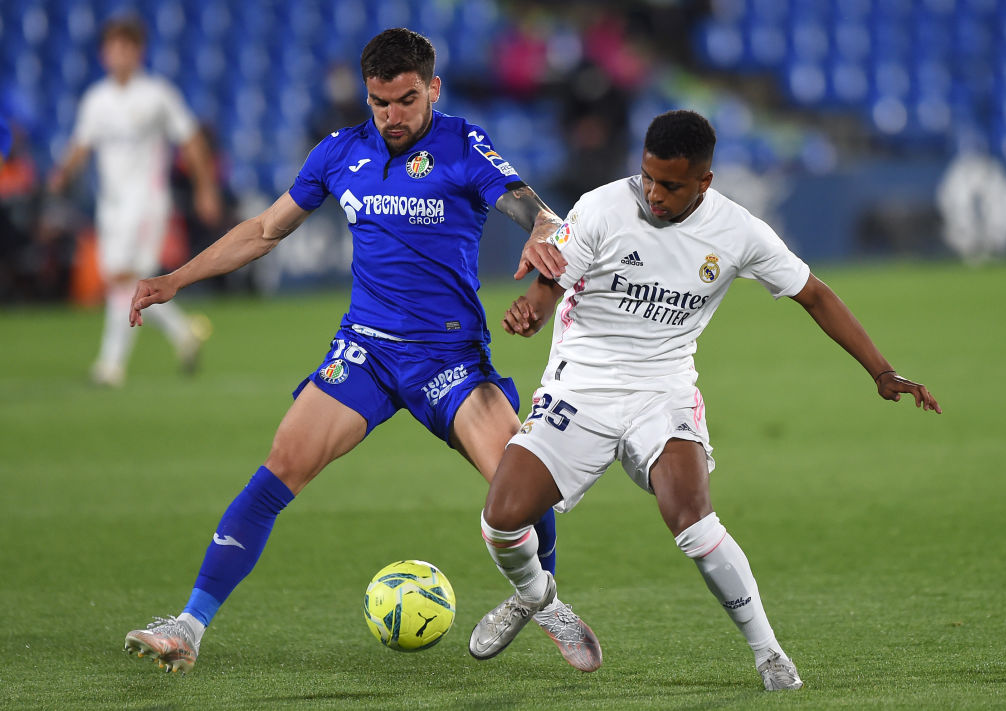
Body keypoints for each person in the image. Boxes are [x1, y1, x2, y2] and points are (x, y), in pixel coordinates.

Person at [123, 28, 601, 674]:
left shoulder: (462, 145)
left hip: (449, 360)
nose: (392, 117)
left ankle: (541, 598)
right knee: (277, 469)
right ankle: (188, 625)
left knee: (527, 489)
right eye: (380, 103)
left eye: (406, 100)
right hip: (365, 355)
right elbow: (266, 229)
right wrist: (174, 279)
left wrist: (543, 234)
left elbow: (535, 211)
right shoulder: (339, 153)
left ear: (432, 88)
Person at [467, 110, 941, 691]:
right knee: (500, 522)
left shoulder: (739, 233)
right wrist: (530, 312)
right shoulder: (599, 207)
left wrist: (882, 371)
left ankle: (770, 656)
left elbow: (814, 294)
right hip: (580, 386)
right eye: (648, 177)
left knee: (692, 520)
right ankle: (541, 600)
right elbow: (550, 280)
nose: (654, 194)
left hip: (661, 390)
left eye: (671, 184)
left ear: (704, 182)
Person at [48, 15, 223, 387]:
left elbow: (191, 140)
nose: (119, 55)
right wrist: (62, 174)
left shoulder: (156, 95)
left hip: (146, 204)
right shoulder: (97, 100)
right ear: (103, 54)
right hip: (110, 206)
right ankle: (182, 331)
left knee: (125, 280)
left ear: (138, 52)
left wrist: (205, 188)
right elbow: (82, 144)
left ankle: (110, 367)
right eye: (113, 47)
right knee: (122, 281)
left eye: (126, 47)